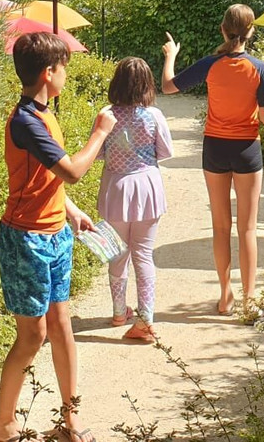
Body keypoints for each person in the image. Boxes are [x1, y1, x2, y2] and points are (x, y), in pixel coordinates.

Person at [0, 32, 116, 442]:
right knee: (33, 335)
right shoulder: (26, 120)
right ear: (49, 72)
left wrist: (72, 211)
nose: (67, 75)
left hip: (55, 233)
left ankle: (70, 419)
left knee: (61, 326)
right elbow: (72, 171)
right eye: (64, 68)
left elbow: (48, 179)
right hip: (26, 240)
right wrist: (99, 133)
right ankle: (3, 424)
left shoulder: (45, 113)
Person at [160, 4, 264, 322]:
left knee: (220, 226)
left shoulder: (210, 64)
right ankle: (249, 302)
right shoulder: (259, 68)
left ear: (222, 30)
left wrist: (171, 55)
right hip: (247, 150)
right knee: (248, 228)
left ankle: (225, 295)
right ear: (251, 32)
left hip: (214, 148)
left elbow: (168, 86)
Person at [95, 57, 174, 344]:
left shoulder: (106, 114)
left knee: (117, 252)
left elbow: (99, 153)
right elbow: (164, 152)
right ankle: (145, 319)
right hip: (147, 188)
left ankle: (118, 312)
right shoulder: (154, 116)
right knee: (143, 254)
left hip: (115, 187)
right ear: (147, 85)